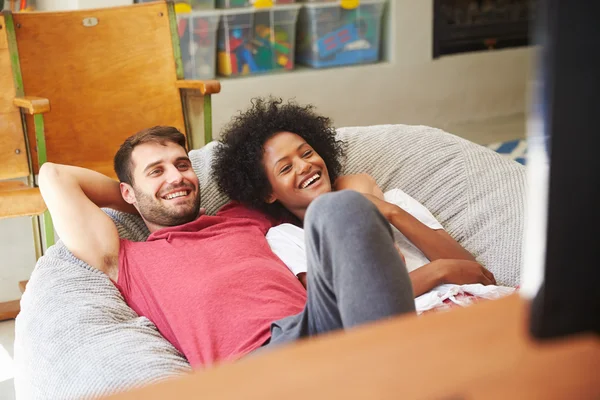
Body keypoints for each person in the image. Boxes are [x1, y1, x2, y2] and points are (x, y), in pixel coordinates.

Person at [38, 125, 416, 368]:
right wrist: (142, 198)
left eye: (183, 166)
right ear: (126, 191)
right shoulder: (127, 258)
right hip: (252, 369)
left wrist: (155, 189)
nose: (177, 177)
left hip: (321, 329)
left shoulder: (242, 216)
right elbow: (53, 175)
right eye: (157, 170)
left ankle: (397, 372)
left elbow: (337, 186)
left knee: (339, 207)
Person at [213, 98, 497, 296]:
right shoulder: (287, 238)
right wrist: (439, 272)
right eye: (285, 168)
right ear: (268, 193)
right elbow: (345, 307)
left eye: (307, 152)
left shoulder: (394, 202)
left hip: (474, 307)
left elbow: (477, 272)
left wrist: (388, 212)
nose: (305, 166)